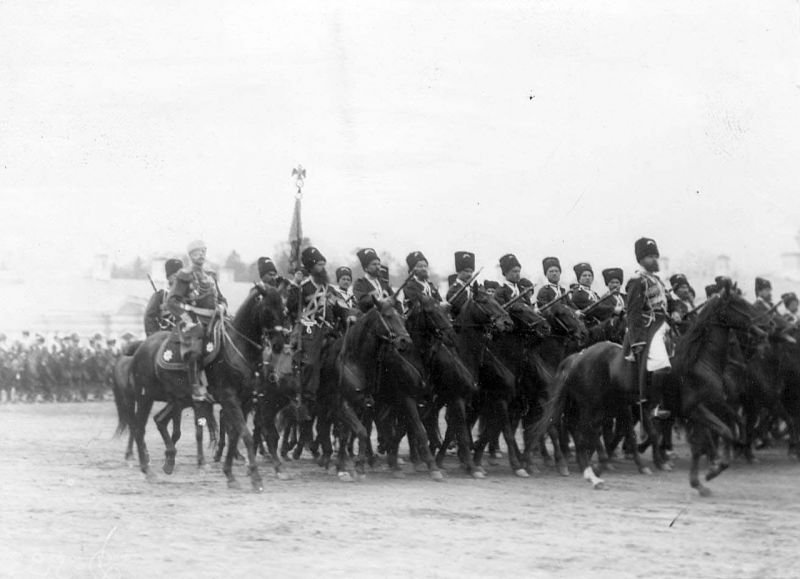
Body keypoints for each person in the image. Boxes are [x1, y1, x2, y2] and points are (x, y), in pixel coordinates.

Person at [287, 246, 357, 411]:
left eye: (323, 264)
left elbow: (341, 308)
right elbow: (291, 307)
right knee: (310, 362)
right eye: (319, 265)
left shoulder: (330, 289)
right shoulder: (303, 287)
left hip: (329, 330)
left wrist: (349, 316)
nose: (322, 268)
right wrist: (295, 285)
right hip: (309, 329)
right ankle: (307, 398)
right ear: (311, 267)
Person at [166, 240, 227, 402]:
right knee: (195, 348)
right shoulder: (184, 275)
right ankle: (195, 387)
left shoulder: (210, 276)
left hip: (214, 319)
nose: (201, 255)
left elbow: (222, 299)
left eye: (203, 251)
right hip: (194, 319)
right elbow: (171, 301)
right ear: (191, 255)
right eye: (197, 252)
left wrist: (222, 307)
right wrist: (187, 319)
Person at [624, 237, 671, 418]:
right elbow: (633, 312)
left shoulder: (657, 280)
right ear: (641, 259)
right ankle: (653, 405)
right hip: (649, 326)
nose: (655, 260)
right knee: (661, 363)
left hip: (665, 322)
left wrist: (675, 311)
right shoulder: (637, 280)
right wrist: (637, 340)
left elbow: (668, 301)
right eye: (650, 256)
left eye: (655, 256)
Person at [144, 258, 183, 336]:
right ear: (168, 277)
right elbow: (149, 318)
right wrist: (155, 337)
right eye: (175, 275)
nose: (178, 278)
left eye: (180, 275)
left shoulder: (188, 295)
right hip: (165, 337)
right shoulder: (160, 296)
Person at [352, 248, 394, 313]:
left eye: (379, 264)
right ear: (366, 268)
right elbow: (363, 301)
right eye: (374, 264)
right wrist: (378, 299)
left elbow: (394, 299)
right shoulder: (359, 284)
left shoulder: (383, 283)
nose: (378, 267)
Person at [446, 251, 475, 317]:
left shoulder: (472, 288)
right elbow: (459, 309)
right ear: (458, 272)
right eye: (466, 271)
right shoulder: (453, 290)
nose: (469, 274)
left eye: (471, 272)